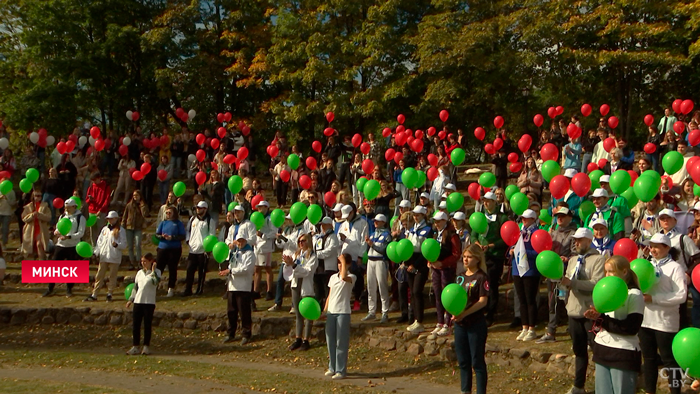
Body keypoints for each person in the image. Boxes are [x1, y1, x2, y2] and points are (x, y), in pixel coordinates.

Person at [582, 255, 644, 394]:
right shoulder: (606, 290)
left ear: (624, 272)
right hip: (603, 349)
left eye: (611, 271)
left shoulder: (634, 294)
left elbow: (631, 327)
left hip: (623, 353)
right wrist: (596, 317)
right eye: (606, 271)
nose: (607, 275)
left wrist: (603, 320)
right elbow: (605, 320)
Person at [639, 233, 686, 394]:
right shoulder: (646, 265)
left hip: (666, 322)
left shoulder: (675, 267)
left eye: (656, 246)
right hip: (645, 321)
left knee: (670, 361)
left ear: (667, 248)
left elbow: (681, 295)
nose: (652, 249)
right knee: (649, 359)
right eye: (651, 246)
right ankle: (650, 391)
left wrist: (654, 298)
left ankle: (675, 391)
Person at [561, 227, 606, 394]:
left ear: (589, 240)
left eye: (580, 240)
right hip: (573, 310)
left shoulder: (598, 259)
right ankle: (578, 386)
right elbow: (567, 281)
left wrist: (573, 283)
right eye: (575, 240)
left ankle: (604, 385)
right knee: (579, 351)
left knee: (597, 350)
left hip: (590, 311)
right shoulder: (573, 260)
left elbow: (597, 284)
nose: (577, 243)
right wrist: (560, 282)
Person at [452, 244, 489, 394]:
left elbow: (483, 301)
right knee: (463, 361)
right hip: (460, 325)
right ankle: (465, 390)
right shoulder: (460, 276)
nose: (465, 259)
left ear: (477, 258)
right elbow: (454, 297)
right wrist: (454, 313)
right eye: (464, 256)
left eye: (469, 257)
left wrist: (465, 313)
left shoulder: (481, 277)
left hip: (476, 324)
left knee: (477, 362)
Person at [537, 203, 576, 343]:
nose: (560, 218)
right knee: (552, 301)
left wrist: (567, 259)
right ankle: (551, 330)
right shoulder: (552, 231)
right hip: (552, 273)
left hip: (566, 273)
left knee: (568, 302)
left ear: (570, 218)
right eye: (558, 215)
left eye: (563, 216)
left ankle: (573, 330)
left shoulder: (574, 234)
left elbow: (576, 254)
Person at [472, 192, 507, 326]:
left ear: (494, 202)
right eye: (484, 201)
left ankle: (491, 313)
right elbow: (474, 234)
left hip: (495, 256)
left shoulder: (502, 218)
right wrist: (477, 244)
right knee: (480, 284)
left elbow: (505, 238)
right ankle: (481, 310)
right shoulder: (480, 217)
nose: (485, 203)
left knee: (492, 284)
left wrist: (491, 245)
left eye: (488, 201)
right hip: (481, 256)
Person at [43, 198, 86, 297]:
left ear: (74, 207)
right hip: (61, 245)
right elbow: (58, 228)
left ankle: (69, 289)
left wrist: (69, 236)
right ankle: (50, 288)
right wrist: (56, 232)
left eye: (68, 207)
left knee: (71, 269)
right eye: (65, 207)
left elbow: (81, 232)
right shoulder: (62, 216)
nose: (66, 209)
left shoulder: (80, 218)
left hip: (73, 245)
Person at [324, 253, 357, 380]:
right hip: (331, 312)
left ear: (347, 264)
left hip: (343, 312)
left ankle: (341, 370)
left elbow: (343, 277)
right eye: (338, 262)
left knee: (341, 342)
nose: (339, 265)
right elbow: (330, 295)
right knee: (330, 341)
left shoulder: (351, 277)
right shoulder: (332, 277)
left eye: (341, 262)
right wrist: (325, 310)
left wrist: (344, 262)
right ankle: (332, 367)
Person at [429, 211, 461, 337]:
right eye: (435, 221)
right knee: (437, 294)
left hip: (446, 269)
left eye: (439, 221)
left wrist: (443, 263)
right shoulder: (436, 233)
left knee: (446, 296)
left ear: (445, 221)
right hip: (436, 268)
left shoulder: (452, 235)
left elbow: (456, 254)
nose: (436, 224)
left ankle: (448, 323)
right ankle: (440, 322)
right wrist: (430, 261)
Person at [220, 230, 255, 345]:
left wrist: (231, 271)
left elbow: (246, 269)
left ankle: (246, 334)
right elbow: (231, 264)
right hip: (232, 286)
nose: (239, 243)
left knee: (244, 312)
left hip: (243, 287)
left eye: (241, 240)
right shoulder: (235, 252)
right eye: (238, 241)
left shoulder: (249, 253)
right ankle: (231, 333)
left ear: (245, 240)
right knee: (231, 311)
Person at [510, 209, 540, 342]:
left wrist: (524, 252)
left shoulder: (536, 233)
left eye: (527, 218)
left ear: (533, 219)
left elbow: (539, 252)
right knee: (521, 300)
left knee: (530, 299)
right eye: (522, 218)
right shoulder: (518, 232)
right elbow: (511, 245)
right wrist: (511, 251)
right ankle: (524, 327)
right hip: (517, 269)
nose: (524, 221)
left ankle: (532, 328)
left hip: (530, 270)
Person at [284, 233, 318, 351]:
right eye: (299, 241)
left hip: (306, 285)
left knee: (307, 314)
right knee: (298, 313)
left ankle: (306, 340)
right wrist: (288, 264)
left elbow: (307, 271)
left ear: (308, 241)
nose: (301, 243)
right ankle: (298, 338)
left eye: (303, 241)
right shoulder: (296, 254)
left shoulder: (312, 256)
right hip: (295, 284)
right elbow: (290, 271)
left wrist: (293, 266)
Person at [85, 211, 127, 302]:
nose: (110, 220)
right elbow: (99, 242)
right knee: (99, 275)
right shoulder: (104, 229)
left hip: (114, 257)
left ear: (116, 219)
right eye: (108, 219)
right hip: (104, 256)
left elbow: (124, 244)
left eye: (111, 219)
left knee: (112, 276)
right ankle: (94, 294)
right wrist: (97, 252)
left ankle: (109, 294)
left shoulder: (121, 230)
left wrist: (117, 245)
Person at [269, 214, 306, 312]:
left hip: (294, 259)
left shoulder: (301, 231)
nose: (289, 221)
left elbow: (298, 246)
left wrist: (285, 239)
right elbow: (281, 245)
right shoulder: (287, 230)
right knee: (280, 281)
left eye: (290, 219)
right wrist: (279, 239)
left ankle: (294, 305)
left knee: (294, 283)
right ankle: (277, 303)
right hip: (285, 259)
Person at [405, 205, 433, 333]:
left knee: (417, 291)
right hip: (410, 261)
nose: (415, 217)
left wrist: (415, 264)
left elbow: (425, 251)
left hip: (420, 263)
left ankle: (420, 320)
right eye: (414, 215)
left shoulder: (427, 230)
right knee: (412, 291)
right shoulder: (411, 229)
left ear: (423, 215)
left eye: (418, 215)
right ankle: (415, 319)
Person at [126, 253, 161, 356]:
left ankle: (146, 346)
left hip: (149, 302)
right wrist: (131, 300)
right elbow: (136, 287)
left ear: (151, 261)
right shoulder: (139, 273)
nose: (143, 263)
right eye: (142, 261)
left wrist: (153, 271)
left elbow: (155, 282)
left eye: (145, 261)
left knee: (147, 325)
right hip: (138, 302)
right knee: (136, 325)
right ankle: (135, 346)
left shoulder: (157, 272)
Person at [338, 203, 369, 312]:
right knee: (345, 277)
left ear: (352, 212)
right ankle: (347, 300)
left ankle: (357, 299)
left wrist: (360, 256)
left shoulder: (362, 223)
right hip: (345, 255)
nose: (346, 218)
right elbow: (339, 239)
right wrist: (342, 239)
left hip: (356, 255)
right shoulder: (343, 224)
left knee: (357, 278)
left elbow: (363, 241)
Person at [363, 214, 391, 323]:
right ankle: (371, 311)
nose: (375, 223)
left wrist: (372, 244)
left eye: (378, 221)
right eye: (375, 221)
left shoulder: (387, 235)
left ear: (383, 222)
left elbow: (384, 250)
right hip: (371, 261)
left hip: (380, 261)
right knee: (370, 286)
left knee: (382, 286)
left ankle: (385, 312)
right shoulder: (373, 234)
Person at [184, 201, 216, 296]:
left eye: (200, 208)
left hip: (203, 251)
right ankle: (188, 289)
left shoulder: (210, 221)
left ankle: (199, 289)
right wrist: (188, 241)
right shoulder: (192, 219)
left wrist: (208, 248)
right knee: (189, 270)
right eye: (197, 208)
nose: (198, 209)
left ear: (205, 209)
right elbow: (188, 231)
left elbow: (212, 235)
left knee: (201, 272)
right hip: (192, 250)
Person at [155, 206, 186, 298]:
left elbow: (182, 236)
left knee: (172, 268)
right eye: (166, 213)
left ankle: (171, 289)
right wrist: (162, 237)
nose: (168, 215)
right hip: (163, 248)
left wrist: (172, 238)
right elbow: (157, 234)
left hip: (174, 249)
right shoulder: (163, 223)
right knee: (158, 268)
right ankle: (154, 286)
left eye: (169, 213)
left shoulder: (178, 223)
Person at [253, 200, 277, 302]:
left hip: (266, 246)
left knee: (267, 268)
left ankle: (269, 291)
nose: (260, 209)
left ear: (267, 208)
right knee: (257, 268)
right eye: (258, 207)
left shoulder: (270, 219)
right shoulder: (256, 218)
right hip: (257, 246)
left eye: (262, 207)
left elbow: (274, 232)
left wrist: (263, 235)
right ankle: (255, 291)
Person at [314, 216, 340, 308]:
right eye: (322, 225)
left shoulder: (333, 237)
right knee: (318, 292)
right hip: (317, 268)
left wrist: (317, 254)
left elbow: (331, 250)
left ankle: (329, 309)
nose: (323, 227)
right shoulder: (318, 237)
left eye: (325, 225)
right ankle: (319, 310)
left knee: (327, 291)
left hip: (328, 268)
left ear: (330, 225)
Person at [21, 189, 51, 260]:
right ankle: (32, 266)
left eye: (40, 196)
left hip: (41, 229)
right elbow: (24, 218)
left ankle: (41, 263)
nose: (38, 197)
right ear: (33, 196)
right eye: (36, 196)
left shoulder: (45, 206)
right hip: (30, 229)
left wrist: (40, 215)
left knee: (39, 245)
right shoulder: (28, 207)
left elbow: (49, 217)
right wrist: (32, 215)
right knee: (30, 249)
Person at [122, 190, 148, 270]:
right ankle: (131, 262)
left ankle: (139, 262)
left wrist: (142, 206)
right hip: (129, 227)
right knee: (130, 246)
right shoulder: (129, 205)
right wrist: (123, 225)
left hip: (138, 227)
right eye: (134, 196)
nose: (135, 197)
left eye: (137, 195)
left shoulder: (143, 205)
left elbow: (145, 214)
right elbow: (125, 215)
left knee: (137, 245)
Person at [86, 172, 111, 244]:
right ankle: (94, 247)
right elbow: (87, 200)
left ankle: (101, 246)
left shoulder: (105, 186)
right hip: (92, 211)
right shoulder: (91, 186)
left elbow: (107, 200)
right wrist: (90, 200)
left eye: (95, 180)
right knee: (92, 231)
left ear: (99, 178)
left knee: (101, 230)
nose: (94, 182)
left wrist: (101, 210)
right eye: (92, 180)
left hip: (101, 212)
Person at [0, 179, 16, 246]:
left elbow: (13, 203)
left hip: (7, 213)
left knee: (5, 229)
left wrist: (7, 199)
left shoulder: (11, 192)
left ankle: (4, 244)